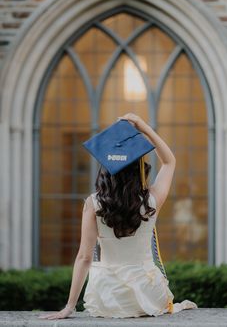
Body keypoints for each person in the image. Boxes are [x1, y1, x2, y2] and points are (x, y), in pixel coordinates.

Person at [39, 113, 197, 320]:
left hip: (107, 297)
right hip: (148, 295)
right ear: (139, 169)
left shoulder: (93, 203)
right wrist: (143, 128)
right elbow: (169, 162)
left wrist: (69, 306)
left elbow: (84, 257)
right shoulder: (151, 201)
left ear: (106, 170)